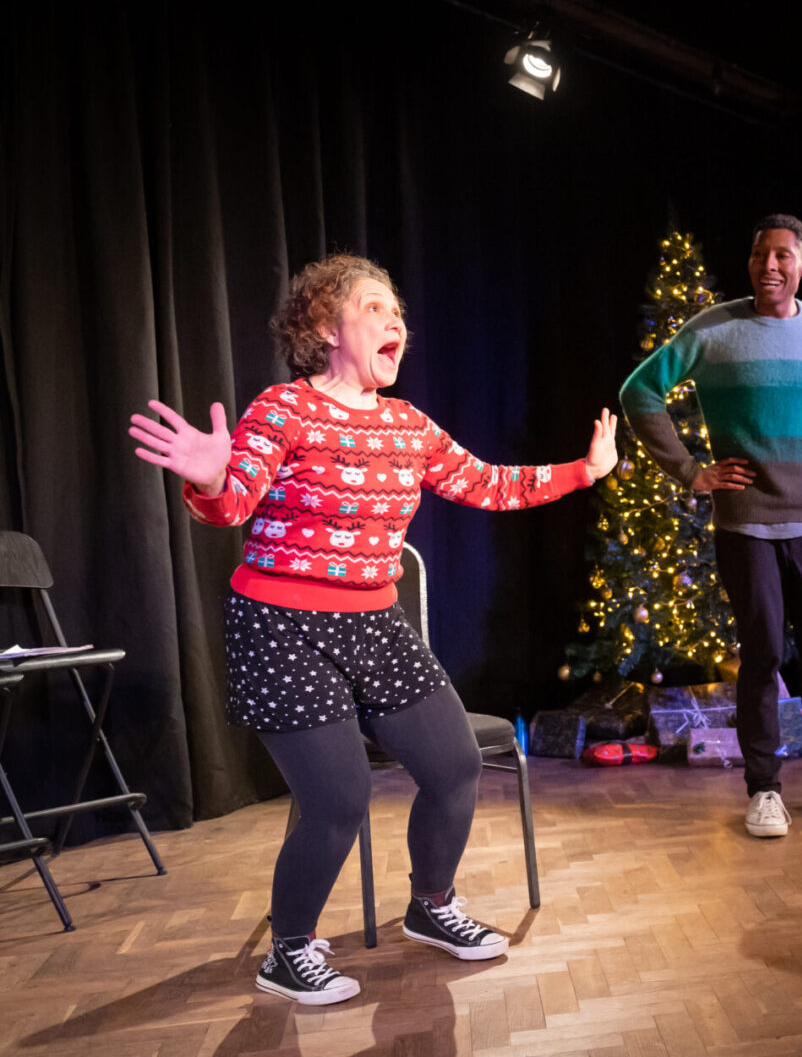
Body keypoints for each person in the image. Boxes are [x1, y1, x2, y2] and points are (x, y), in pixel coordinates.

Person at [128, 254, 617, 1005]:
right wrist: (209, 476)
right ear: (326, 327)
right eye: (376, 308)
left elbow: (487, 483)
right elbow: (230, 507)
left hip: (374, 623)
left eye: (400, 314)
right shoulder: (281, 409)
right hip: (281, 626)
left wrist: (584, 470)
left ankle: (431, 906)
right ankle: (288, 950)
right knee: (338, 799)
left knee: (454, 768)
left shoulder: (407, 425)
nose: (398, 323)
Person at [619, 214, 802, 838]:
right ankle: (765, 788)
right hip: (745, 524)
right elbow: (641, 392)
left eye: (782, 256)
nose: (769, 265)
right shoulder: (713, 329)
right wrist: (691, 471)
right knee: (763, 653)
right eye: (760, 255)